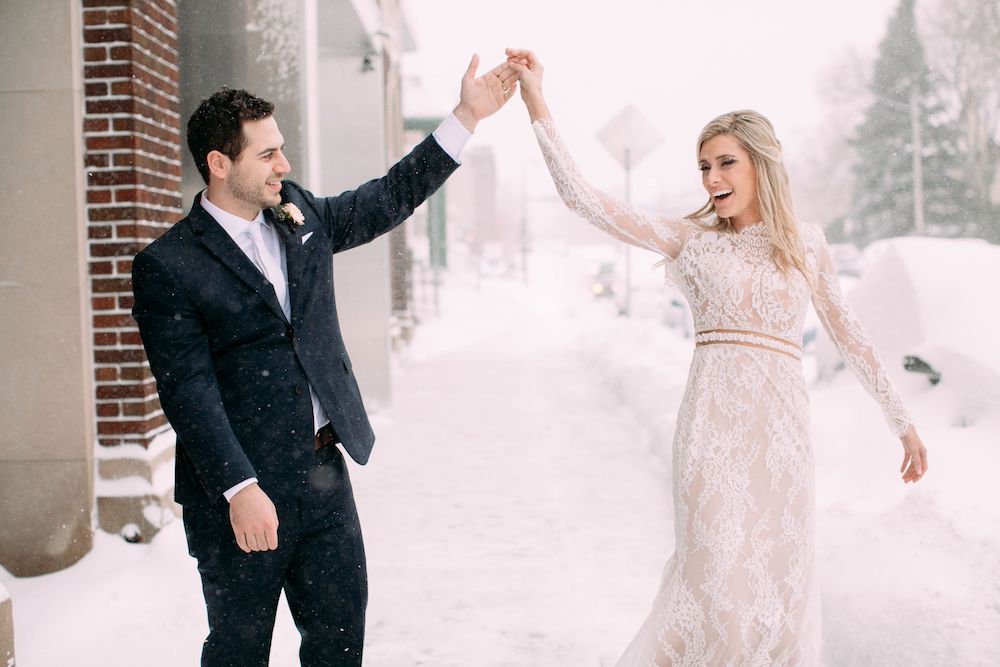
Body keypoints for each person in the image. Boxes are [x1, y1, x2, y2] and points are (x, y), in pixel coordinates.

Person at [505, 49, 928, 665]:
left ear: (761, 165)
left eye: (725, 163)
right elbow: (583, 199)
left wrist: (903, 422)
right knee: (714, 589)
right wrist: (537, 101)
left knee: (778, 597)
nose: (711, 179)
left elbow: (851, 336)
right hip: (711, 438)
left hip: (782, 441)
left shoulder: (806, 244)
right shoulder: (691, 241)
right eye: (704, 166)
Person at [131, 56, 519, 667]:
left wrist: (466, 116)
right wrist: (239, 488)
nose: (283, 165)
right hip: (241, 493)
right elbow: (188, 391)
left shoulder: (299, 215)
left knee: (339, 643)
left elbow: (386, 198)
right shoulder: (169, 265)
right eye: (267, 154)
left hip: (321, 477)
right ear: (219, 163)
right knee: (239, 651)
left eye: (281, 149)